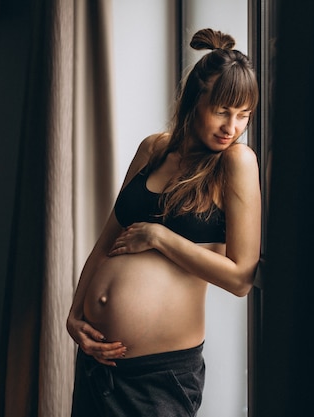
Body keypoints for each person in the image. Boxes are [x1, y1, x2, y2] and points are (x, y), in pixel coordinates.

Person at [66, 28, 261, 417]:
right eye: (222, 111)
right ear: (195, 99)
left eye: (244, 116)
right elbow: (108, 239)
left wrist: (160, 237)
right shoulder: (154, 148)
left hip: (158, 377)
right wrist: (74, 316)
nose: (232, 127)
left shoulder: (235, 164)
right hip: (96, 364)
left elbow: (240, 278)